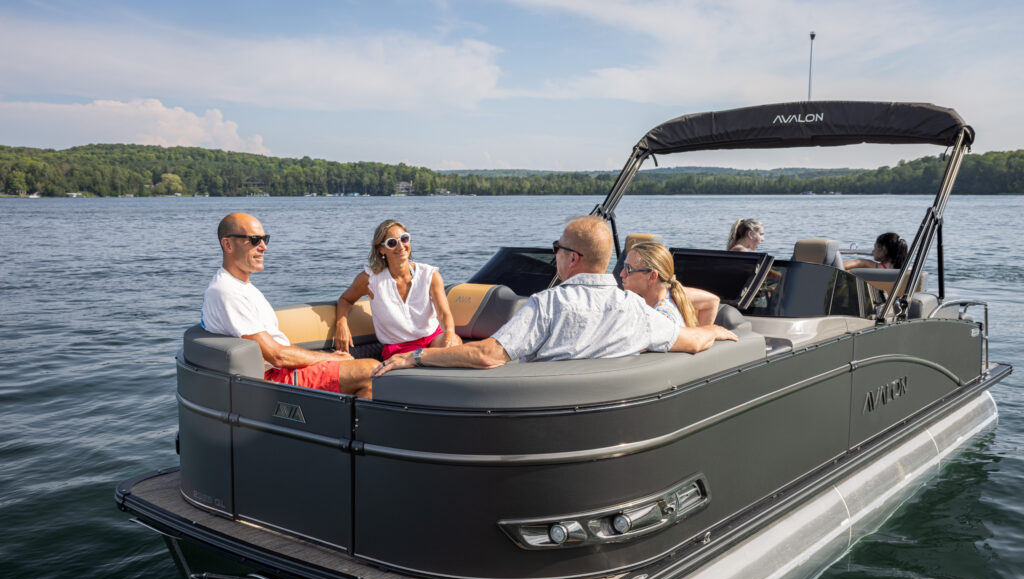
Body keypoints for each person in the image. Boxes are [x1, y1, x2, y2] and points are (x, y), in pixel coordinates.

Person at [372, 216, 737, 377]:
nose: (556, 254)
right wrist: (716, 332)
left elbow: (487, 357)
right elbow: (691, 341)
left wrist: (418, 358)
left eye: (558, 248)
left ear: (573, 258)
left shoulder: (548, 304)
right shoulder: (635, 310)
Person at [201, 212, 377, 398]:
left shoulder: (241, 287)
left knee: (368, 369)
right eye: (254, 240)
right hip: (269, 380)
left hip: (278, 370)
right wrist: (330, 357)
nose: (263, 247)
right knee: (370, 371)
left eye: (264, 239)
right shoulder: (226, 291)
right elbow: (276, 355)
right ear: (227, 244)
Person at [335, 219, 461, 360]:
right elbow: (345, 299)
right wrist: (341, 323)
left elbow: (443, 314)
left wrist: (449, 335)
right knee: (428, 360)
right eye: (392, 243)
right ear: (381, 249)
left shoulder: (430, 275)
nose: (401, 246)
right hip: (400, 348)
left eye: (404, 239)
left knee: (455, 342)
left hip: (432, 339)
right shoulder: (370, 280)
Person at [620, 241, 720, 326]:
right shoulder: (672, 295)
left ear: (652, 277)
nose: (621, 274)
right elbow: (712, 301)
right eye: (623, 266)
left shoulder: (661, 320)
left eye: (628, 269)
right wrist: (703, 332)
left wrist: (703, 334)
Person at [843, 232, 909, 270]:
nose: (873, 251)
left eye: (875, 248)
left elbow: (839, 266)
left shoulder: (867, 264)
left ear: (884, 248)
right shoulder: (905, 270)